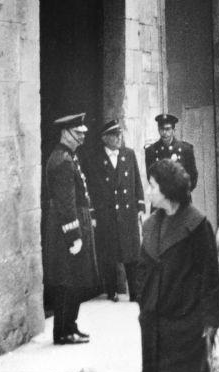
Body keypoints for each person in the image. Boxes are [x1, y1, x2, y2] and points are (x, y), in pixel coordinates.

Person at [137, 159, 219, 372]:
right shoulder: (150, 225)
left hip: (186, 328)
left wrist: (210, 322)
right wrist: (144, 304)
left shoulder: (197, 224)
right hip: (153, 327)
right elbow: (142, 271)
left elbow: (210, 278)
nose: (148, 191)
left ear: (167, 188)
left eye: (152, 185)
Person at [44, 112, 99, 345]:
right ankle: (63, 331)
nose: (82, 137)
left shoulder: (69, 157)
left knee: (75, 279)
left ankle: (70, 326)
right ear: (66, 133)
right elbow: (66, 203)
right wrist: (74, 235)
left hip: (75, 223)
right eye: (78, 133)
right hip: (66, 230)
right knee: (68, 281)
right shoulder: (62, 161)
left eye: (83, 133)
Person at [85, 119, 144, 302]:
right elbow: (91, 189)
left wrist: (140, 206)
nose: (119, 138)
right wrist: (93, 213)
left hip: (127, 213)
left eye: (119, 134)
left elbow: (137, 182)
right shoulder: (95, 159)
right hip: (107, 214)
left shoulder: (129, 154)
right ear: (105, 138)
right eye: (114, 135)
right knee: (109, 254)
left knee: (131, 254)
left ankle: (135, 292)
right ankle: (112, 292)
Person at [144, 113, 198, 190]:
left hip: (180, 195)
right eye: (162, 129)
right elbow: (150, 178)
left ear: (173, 130)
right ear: (158, 130)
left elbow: (193, 177)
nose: (164, 132)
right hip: (161, 195)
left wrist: (183, 192)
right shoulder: (151, 151)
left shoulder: (185, 149)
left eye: (168, 129)